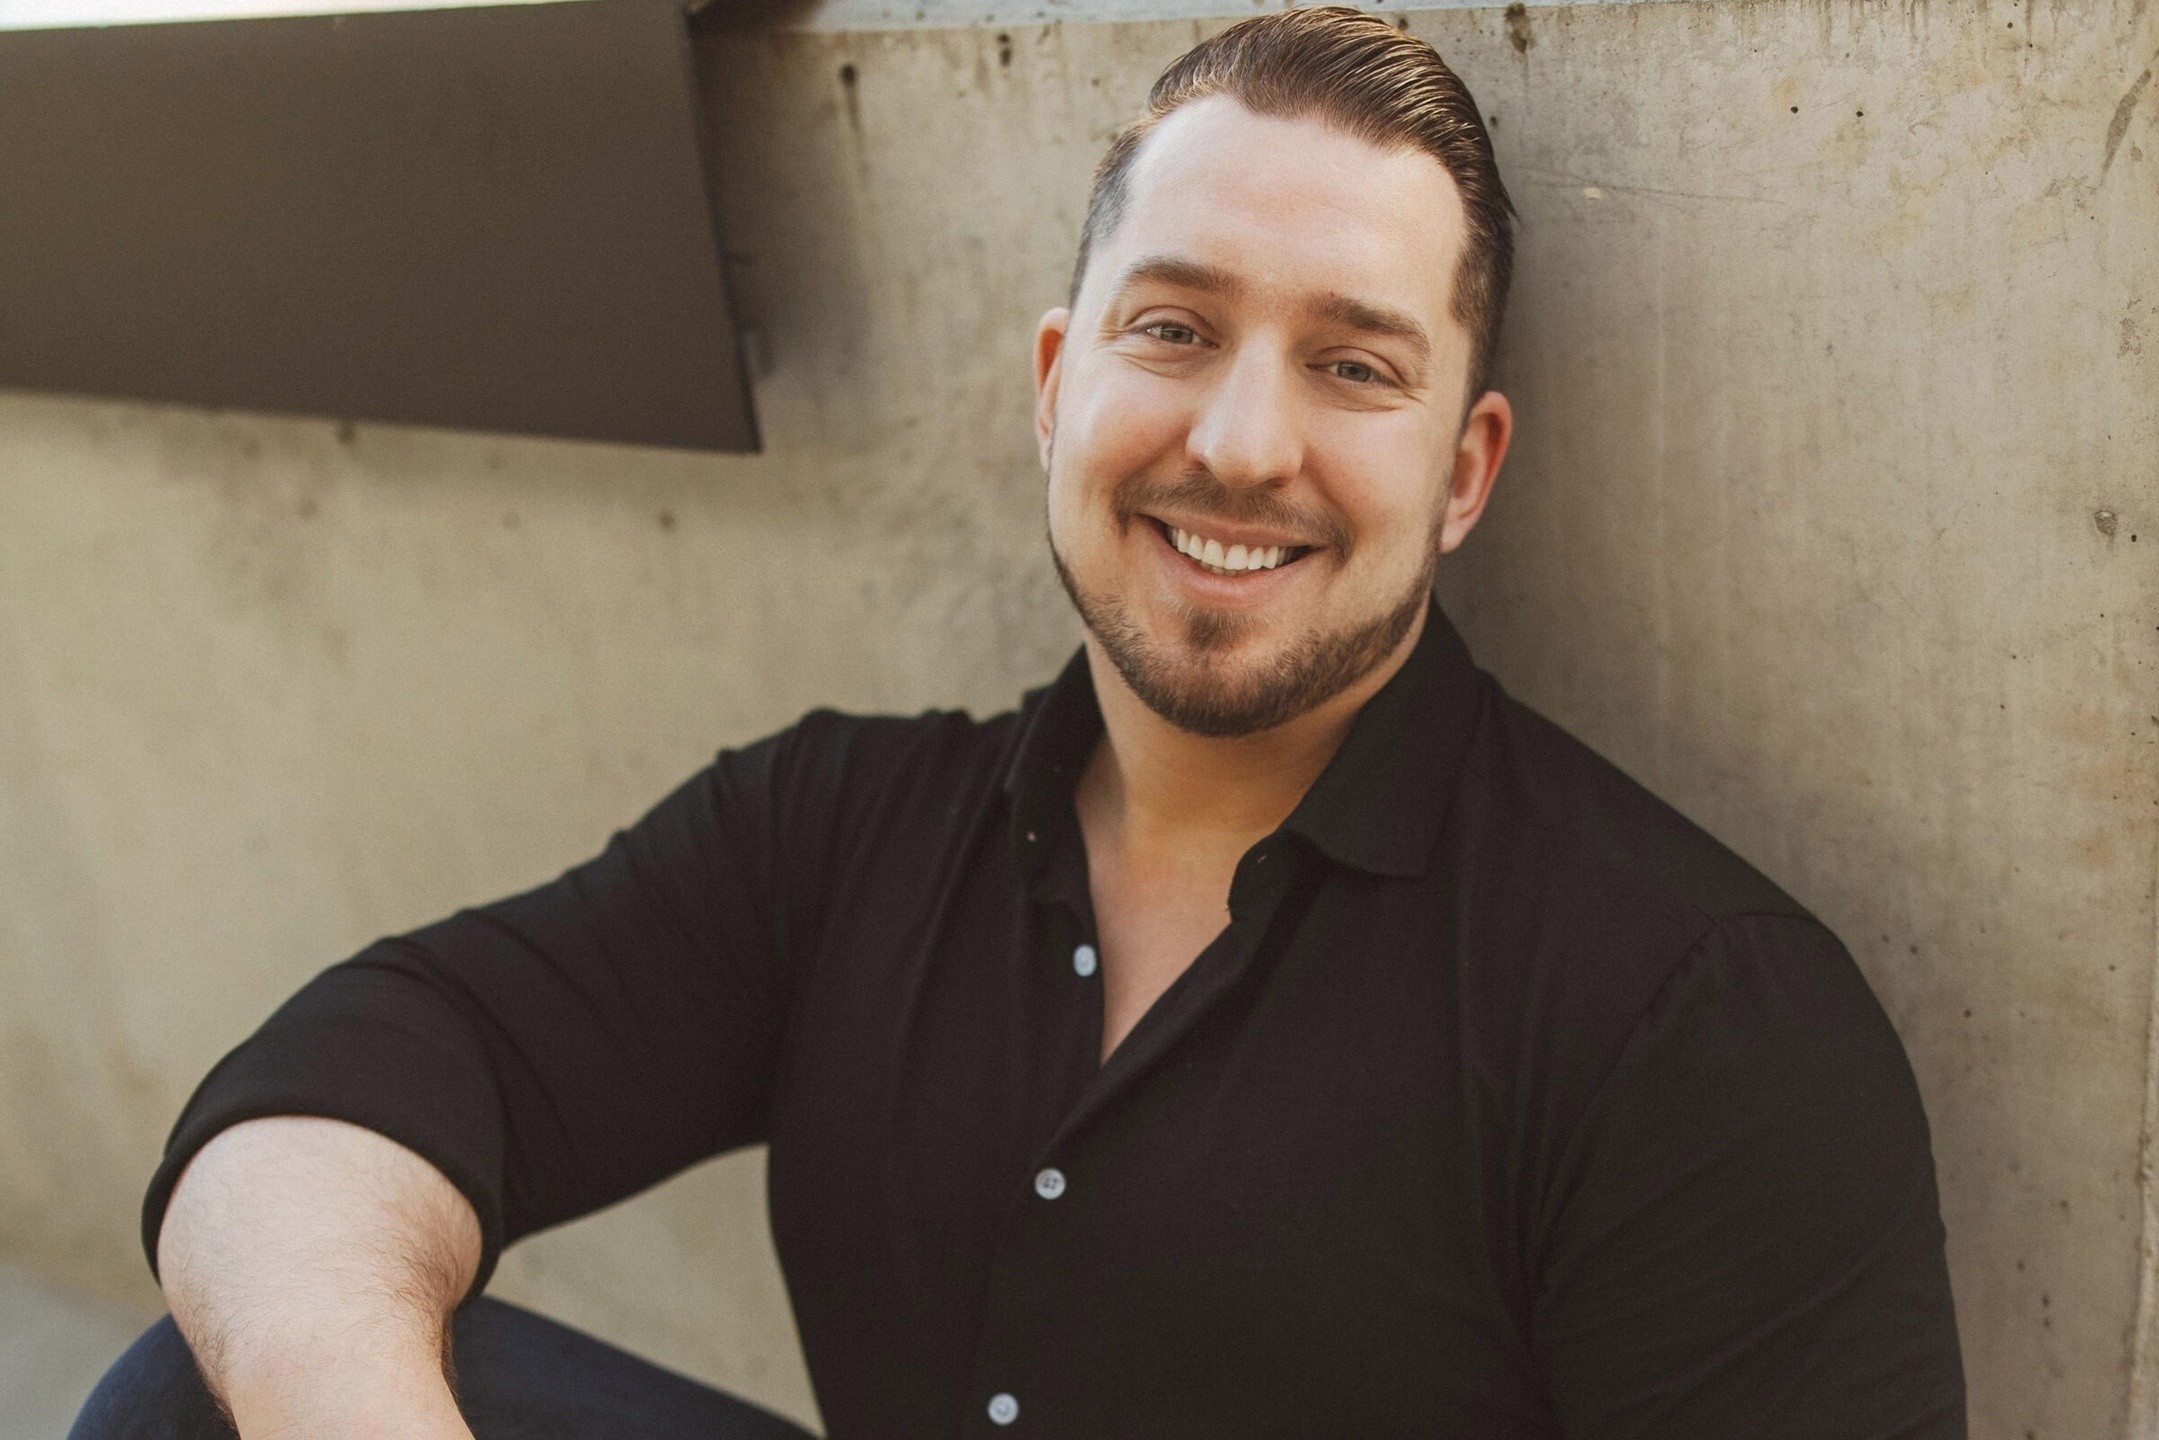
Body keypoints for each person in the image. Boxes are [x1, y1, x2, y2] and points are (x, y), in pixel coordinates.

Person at [74, 10, 1966, 1439]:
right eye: (1174, 328)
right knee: (204, 1391)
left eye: (1351, 364)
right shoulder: (840, 830)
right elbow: (369, 1073)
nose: (1241, 440)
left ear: (1464, 471)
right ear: (1057, 387)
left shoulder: (1697, 1018)